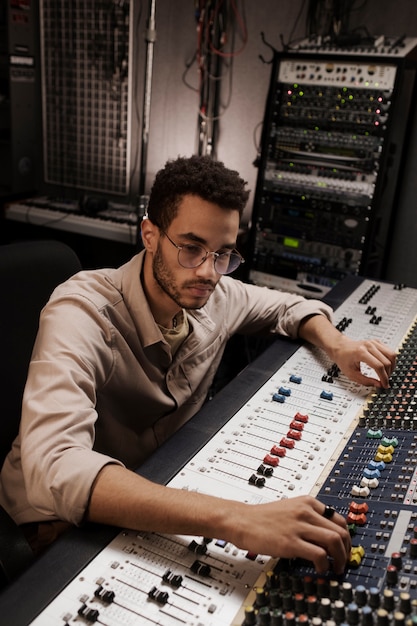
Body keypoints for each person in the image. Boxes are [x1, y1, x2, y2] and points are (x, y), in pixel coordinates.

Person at [0, 155, 396, 576]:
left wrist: (339, 345)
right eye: (191, 248)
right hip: (54, 522)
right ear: (149, 235)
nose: (208, 271)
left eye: (223, 254)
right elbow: (56, 467)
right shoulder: (81, 310)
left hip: (156, 485)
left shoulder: (215, 293)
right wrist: (238, 519)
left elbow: (290, 307)